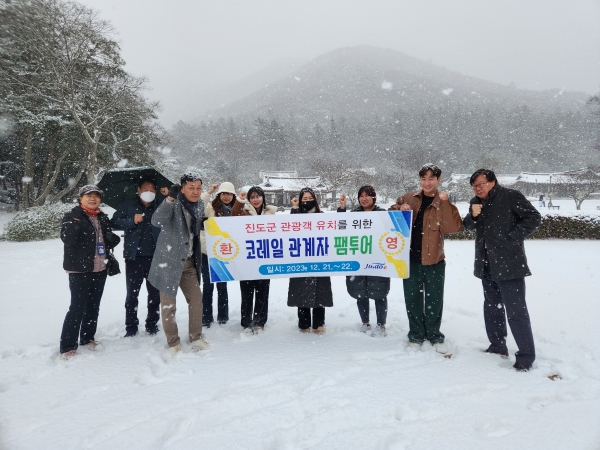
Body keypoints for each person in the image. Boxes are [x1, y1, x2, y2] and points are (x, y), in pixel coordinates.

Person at [463, 169, 541, 372]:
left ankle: (525, 356)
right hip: (486, 264)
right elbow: (468, 226)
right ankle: (498, 346)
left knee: (516, 312)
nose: (477, 188)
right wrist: (473, 214)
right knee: (492, 307)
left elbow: (533, 217)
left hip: (509, 265)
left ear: (493, 182)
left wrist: (513, 237)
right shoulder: (475, 201)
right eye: (474, 185)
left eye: (481, 184)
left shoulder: (510, 196)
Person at [389, 164, 462, 353]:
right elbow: (390, 213)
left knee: (434, 300)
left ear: (438, 180)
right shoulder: (410, 197)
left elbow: (452, 227)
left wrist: (446, 203)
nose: (427, 182)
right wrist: (400, 208)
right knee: (412, 299)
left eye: (431, 178)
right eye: (423, 179)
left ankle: (434, 335)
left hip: (434, 261)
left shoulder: (443, 201)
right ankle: (415, 335)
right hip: (410, 260)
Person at [148, 173, 209, 355]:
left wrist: (203, 225)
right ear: (182, 188)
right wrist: (169, 198)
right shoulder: (173, 203)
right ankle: (173, 341)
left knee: (196, 300)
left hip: (189, 262)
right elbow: (156, 220)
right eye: (191, 187)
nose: (195, 191)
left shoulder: (199, 204)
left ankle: (196, 337)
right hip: (169, 262)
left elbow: (194, 227)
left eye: (198, 187)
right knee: (169, 306)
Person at [59, 185, 120, 360]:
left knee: (93, 306)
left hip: (100, 267)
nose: (93, 199)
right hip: (79, 269)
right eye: (88, 196)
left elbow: (106, 239)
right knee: (77, 307)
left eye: (96, 196)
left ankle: (87, 338)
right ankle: (68, 346)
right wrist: (76, 220)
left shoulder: (102, 217)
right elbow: (67, 239)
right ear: (80, 198)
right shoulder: (72, 216)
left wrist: (111, 239)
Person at [111, 179, 165, 337]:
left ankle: (152, 324)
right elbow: (113, 222)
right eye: (145, 189)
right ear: (138, 190)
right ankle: (131, 326)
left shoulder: (160, 207)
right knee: (132, 294)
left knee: (155, 295)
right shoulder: (127, 205)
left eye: (152, 190)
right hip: (134, 257)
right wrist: (131, 221)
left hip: (155, 258)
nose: (149, 192)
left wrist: (167, 195)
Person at [338, 185, 390, 336]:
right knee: (360, 292)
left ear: (374, 197)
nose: (364, 198)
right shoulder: (354, 214)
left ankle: (381, 325)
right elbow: (340, 226)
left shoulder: (382, 214)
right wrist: (342, 208)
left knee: (379, 293)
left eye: (367, 195)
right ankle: (365, 323)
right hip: (358, 260)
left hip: (378, 260)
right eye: (361, 195)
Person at [231, 186, 277, 333]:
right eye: (252, 197)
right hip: (247, 259)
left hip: (265, 259)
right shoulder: (243, 212)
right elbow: (232, 217)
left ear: (263, 197)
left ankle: (259, 322)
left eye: (258, 196)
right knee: (246, 292)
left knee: (263, 292)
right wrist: (239, 201)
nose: (255, 200)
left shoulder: (271, 214)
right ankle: (246, 322)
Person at [287, 188, 333, 333]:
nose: (307, 201)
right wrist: (294, 208)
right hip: (301, 259)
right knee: (301, 290)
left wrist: (342, 209)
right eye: (304, 199)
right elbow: (291, 229)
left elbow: (337, 229)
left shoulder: (322, 216)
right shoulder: (296, 215)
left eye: (309, 198)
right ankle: (304, 323)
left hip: (320, 258)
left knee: (320, 291)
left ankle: (319, 323)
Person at [199, 182, 236, 327]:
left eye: (229, 194)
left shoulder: (235, 210)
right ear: (219, 195)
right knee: (208, 287)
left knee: (222, 286)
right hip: (208, 252)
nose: (226, 197)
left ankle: (223, 317)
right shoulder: (210, 207)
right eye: (223, 194)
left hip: (224, 253)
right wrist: (209, 192)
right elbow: (199, 206)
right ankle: (206, 317)